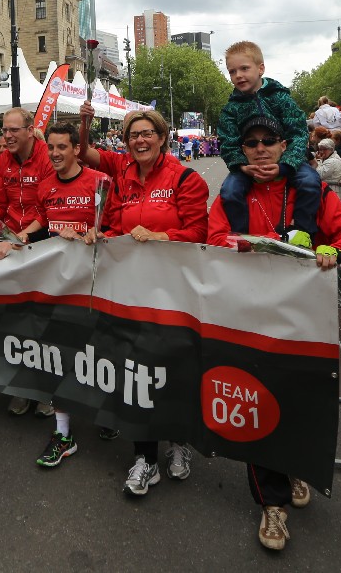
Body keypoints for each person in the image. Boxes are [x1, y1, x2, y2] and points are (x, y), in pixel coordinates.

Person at [206, 114, 341, 552]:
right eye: (252, 142)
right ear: (243, 151)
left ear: (284, 146)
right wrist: (252, 245)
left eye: (269, 140)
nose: (261, 148)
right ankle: (272, 505)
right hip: (248, 319)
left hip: (303, 325)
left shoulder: (311, 192)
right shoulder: (231, 195)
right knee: (255, 405)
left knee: (297, 403)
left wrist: (333, 250)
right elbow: (213, 240)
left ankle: (294, 465)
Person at [79, 101, 208, 496]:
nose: (140, 140)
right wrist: (100, 233)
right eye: (133, 135)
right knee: (136, 370)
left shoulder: (186, 178)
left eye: (147, 133)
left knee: (173, 368)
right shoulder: (120, 179)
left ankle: (179, 443)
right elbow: (113, 223)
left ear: (162, 137)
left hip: (174, 293)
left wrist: (161, 236)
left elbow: (199, 233)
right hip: (133, 292)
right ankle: (144, 457)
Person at [0, 122, 110, 466]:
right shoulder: (45, 186)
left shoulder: (99, 182)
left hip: (96, 284)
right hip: (58, 285)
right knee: (59, 353)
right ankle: (63, 434)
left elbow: (113, 225)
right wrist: (17, 239)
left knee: (98, 354)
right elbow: (40, 220)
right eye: (51, 147)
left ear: (76, 149)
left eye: (62, 147)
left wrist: (91, 233)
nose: (55, 153)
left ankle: (106, 414)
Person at [0, 107, 56, 417]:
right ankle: (22, 386)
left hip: (41, 242)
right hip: (11, 242)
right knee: (14, 318)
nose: (8, 135)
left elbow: (49, 208)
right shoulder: (3, 161)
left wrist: (22, 236)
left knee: (43, 320)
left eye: (14, 130)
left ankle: (48, 389)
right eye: (5, 130)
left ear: (30, 131)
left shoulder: (47, 157)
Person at [217, 41, 318, 245]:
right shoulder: (230, 109)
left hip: (287, 161)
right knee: (230, 191)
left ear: (261, 68)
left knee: (310, 182)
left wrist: (285, 166)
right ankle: (242, 236)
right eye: (232, 71)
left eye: (244, 68)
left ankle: (302, 232)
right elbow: (227, 142)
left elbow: (298, 133)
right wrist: (242, 166)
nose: (238, 75)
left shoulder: (280, 98)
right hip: (249, 166)